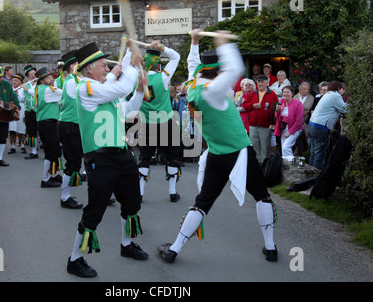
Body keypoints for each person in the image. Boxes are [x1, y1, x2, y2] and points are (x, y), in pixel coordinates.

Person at [157, 29, 278, 265]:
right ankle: (270, 247)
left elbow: (194, 66)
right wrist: (222, 42)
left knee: (202, 203)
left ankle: (174, 249)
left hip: (216, 154)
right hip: (240, 152)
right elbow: (234, 69)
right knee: (262, 196)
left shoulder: (193, 87)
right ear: (218, 72)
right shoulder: (214, 91)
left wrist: (194, 42)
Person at [66, 41, 148, 278]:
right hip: (100, 158)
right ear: (89, 68)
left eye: (106, 65)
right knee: (95, 210)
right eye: (103, 65)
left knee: (132, 203)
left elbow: (130, 108)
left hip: (122, 153)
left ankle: (126, 245)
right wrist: (131, 64)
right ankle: (75, 259)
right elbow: (120, 89)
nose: (107, 68)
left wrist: (140, 88)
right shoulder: (85, 88)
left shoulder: (104, 91)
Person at [123, 40, 182, 203]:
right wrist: (162, 48)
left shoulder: (136, 78)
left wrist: (129, 49)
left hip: (146, 123)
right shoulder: (163, 77)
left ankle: (140, 193)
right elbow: (176, 57)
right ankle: (172, 191)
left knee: (145, 158)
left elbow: (125, 65)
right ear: (158, 66)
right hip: (166, 122)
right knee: (173, 156)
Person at [57, 50, 85, 209]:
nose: (79, 66)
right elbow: (84, 97)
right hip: (69, 126)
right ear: (70, 68)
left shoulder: (78, 80)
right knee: (73, 163)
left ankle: (102, 193)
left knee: (88, 160)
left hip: (76, 126)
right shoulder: (70, 82)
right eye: (76, 64)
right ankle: (65, 197)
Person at [33, 67, 63, 188]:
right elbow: (64, 94)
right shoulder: (47, 90)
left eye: (51, 77)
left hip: (47, 123)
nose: (51, 79)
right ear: (42, 81)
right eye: (48, 77)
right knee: (50, 151)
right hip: (47, 123)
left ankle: (53, 174)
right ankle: (45, 179)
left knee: (54, 150)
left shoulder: (41, 88)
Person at [308, 81, 348, 170]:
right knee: (319, 153)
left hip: (312, 125)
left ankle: (309, 173)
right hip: (320, 127)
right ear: (339, 88)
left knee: (313, 151)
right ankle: (315, 176)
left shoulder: (328, 94)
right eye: (343, 89)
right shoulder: (336, 96)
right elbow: (346, 109)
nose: (344, 92)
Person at [242, 75, 278, 164]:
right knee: (254, 147)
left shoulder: (272, 94)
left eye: (262, 82)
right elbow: (244, 105)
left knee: (265, 148)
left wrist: (273, 123)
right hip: (253, 125)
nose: (260, 84)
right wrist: (252, 106)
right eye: (259, 82)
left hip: (265, 126)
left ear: (267, 83)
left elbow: (275, 110)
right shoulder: (252, 93)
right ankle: (256, 166)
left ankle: (264, 167)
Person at [274, 85, 303, 159]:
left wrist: (290, 132)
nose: (285, 94)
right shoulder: (281, 101)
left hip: (295, 128)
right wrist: (277, 111)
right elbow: (277, 117)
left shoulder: (298, 103)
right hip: (283, 127)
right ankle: (286, 166)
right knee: (283, 148)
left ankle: (291, 164)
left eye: (288, 92)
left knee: (286, 147)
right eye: (284, 92)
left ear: (292, 93)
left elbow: (299, 121)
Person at [22, 65, 39, 159]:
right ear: (28, 76)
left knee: (42, 131)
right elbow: (22, 99)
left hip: (39, 111)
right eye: (31, 74)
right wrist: (15, 94)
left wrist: (27, 89)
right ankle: (33, 152)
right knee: (31, 132)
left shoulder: (39, 84)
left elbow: (35, 93)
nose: (33, 75)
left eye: (34, 73)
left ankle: (47, 152)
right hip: (29, 111)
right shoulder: (27, 85)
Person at [7, 73, 27, 154]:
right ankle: (12, 146)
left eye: (16, 80)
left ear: (20, 82)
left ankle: (22, 145)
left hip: (21, 110)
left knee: (21, 129)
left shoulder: (23, 90)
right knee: (12, 129)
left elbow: (23, 100)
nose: (14, 82)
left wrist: (17, 95)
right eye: (13, 80)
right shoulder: (10, 89)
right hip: (12, 110)